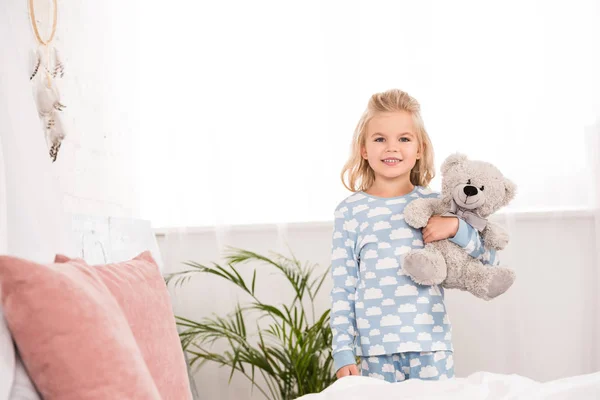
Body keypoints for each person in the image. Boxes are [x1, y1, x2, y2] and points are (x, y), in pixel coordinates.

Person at [329, 89, 498, 383]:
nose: (391, 148)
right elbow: (343, 287)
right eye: (380, 139)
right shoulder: (350, 212)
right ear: (364, 149)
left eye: (404, 139)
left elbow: (489, 260)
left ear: (419, 149)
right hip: (375, 351)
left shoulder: (440, 205)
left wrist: (458, 229)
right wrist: (343, 350)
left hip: (431, 346)